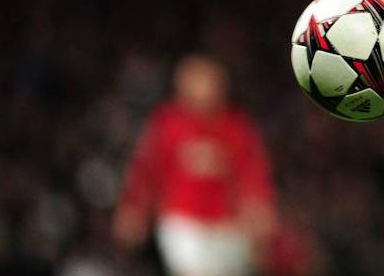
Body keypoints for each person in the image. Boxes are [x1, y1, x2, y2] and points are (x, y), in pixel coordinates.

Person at [113, 55, 276, 276]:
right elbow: (146, 169)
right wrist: (134, 208)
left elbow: (252, 171)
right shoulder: (167, 124)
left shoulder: (236, 126)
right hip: (181, 220)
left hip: (227, 224)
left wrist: (258, 206)